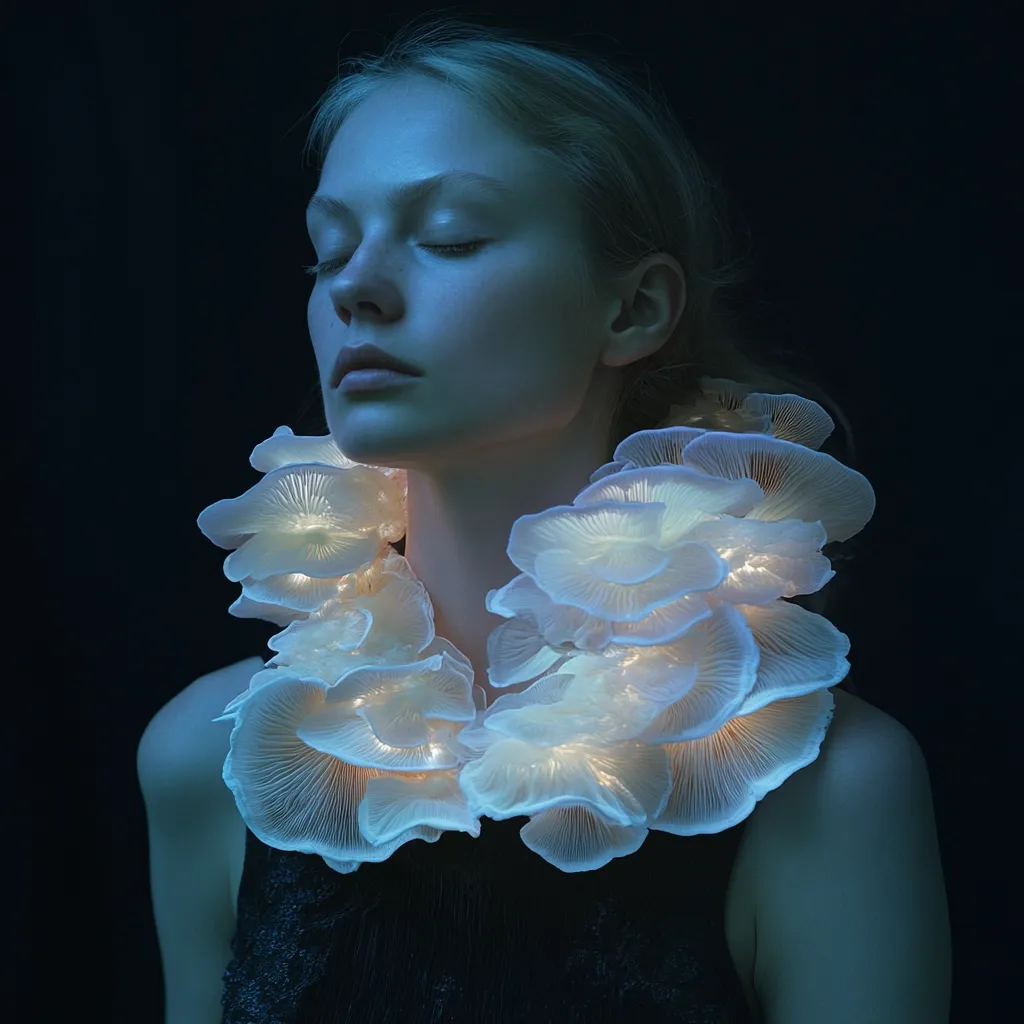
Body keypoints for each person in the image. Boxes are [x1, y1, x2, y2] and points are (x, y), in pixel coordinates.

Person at [137, 16, 951, 1024]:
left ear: (633, 310)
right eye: (328, 249)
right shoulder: (205, 760)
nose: (355, 288)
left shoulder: (828, 790)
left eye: (450, 237)